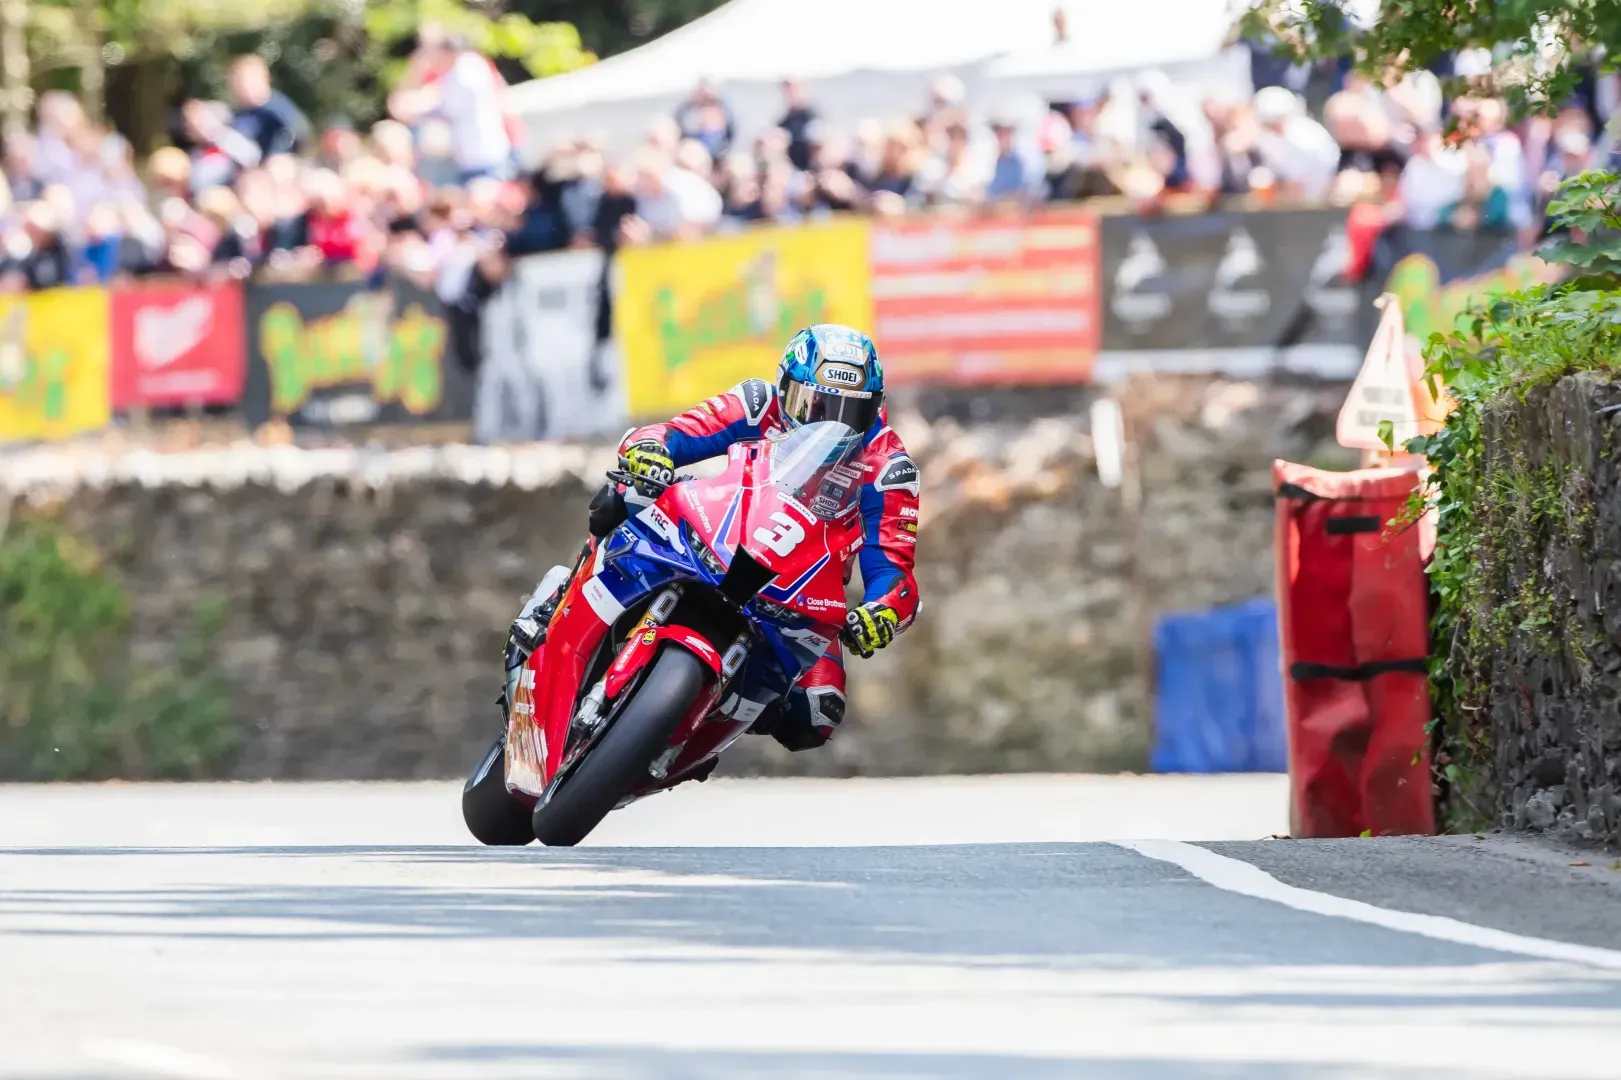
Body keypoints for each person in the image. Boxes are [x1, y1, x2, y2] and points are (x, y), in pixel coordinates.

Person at [511, 324, 922, 754]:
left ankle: (692, 740)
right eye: (815, 405)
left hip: (799, 588)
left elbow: (895, 572)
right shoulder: (758, 403)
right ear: (786, 389)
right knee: (627, 494)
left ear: (873, 408)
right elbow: (671, 434)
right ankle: (559, 597)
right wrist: (650, 452)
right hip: (717, 528)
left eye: (848, 413)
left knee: (816, 713)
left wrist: (881, 612)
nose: (829, 424)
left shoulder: (888, 467)